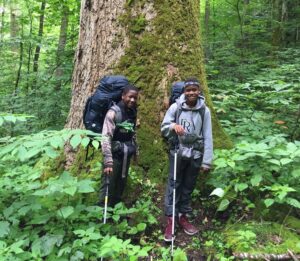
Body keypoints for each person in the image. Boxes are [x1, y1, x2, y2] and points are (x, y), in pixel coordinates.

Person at [161, 77, 213, 242]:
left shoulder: (204, 110)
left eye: (194, 89)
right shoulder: (176, 107)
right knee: (174, 184)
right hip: (177, 151)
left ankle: (183, 216)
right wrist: (172, 126)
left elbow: (208, 136)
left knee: (188, 186)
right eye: (188, 90)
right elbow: (164, 128)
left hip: (196, 154)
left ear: (199, 91)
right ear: (184, 91)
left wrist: (207, 161)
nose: (191, 92)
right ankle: (171, 218)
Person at [99, 84, 139, 207]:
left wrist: (135, 152)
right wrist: (108, 161)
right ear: (123, 96)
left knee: (121, 185)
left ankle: (115, 212)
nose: (132, 100)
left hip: (125, 155)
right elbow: (106, 136)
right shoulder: (113, 112)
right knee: (108, 186)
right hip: (114, 155)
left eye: (135, 98)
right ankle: (102, 213)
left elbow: (132, 134)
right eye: (130, 97)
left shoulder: (132, 112)